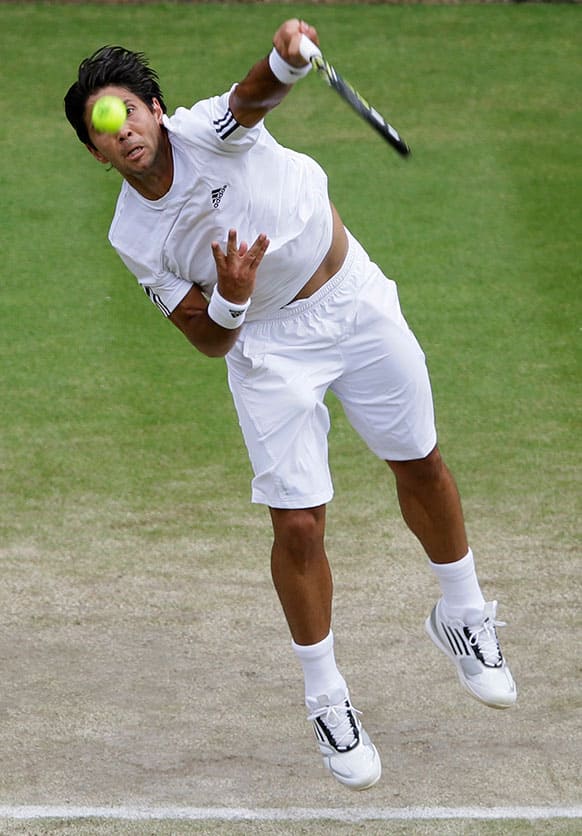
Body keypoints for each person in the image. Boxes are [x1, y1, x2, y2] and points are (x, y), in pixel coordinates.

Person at [64, 18, 517, 791]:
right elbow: (207, 341)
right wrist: (233, 301)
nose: (124, 131)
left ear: (155, 109)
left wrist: (285, 56)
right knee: (299, 523)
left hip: (354, 299)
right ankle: (327, 698)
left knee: (420, 462)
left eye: (129, 112)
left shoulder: (210, 127)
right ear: (98, 151)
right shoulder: (132, 234)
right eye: (104, 130)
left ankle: (463, 614)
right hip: (267, 349)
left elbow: (252, 95)